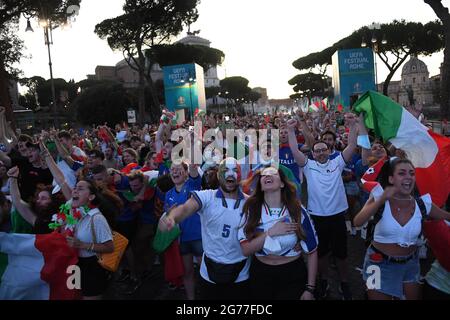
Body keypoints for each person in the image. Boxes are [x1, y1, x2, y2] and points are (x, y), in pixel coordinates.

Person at [354, 158, 450, 300]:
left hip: (410, 265)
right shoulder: (378, 197)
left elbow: (447, 216)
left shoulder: (423, 203)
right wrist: (381, 199)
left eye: (411, 173)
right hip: (377, 263)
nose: (408, 177)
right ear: (391, 179)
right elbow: (358, 221)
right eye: (402, 173)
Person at [287, 113, 358, 300]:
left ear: (329, 150)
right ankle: (324, 280)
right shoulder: (308, 165)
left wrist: (352, 125)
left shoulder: (338, 162)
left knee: (342, 255)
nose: (320, 153)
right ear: (312, 153)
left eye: (323, 150)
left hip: (337, 217)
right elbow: (295, 150)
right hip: (317, 217)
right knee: (321, 254)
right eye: (316, 150)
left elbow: (351, 145)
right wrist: (290, 130)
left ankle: (344, 283)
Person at [159, 157, 250, 300]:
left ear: (240, 175)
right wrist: (172, 217)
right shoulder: (207, 196)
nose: (230, 174)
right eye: (225, 170)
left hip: (241, 273)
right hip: (209, 273)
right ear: (219, 175)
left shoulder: (250, 203)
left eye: (235, 170)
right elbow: (185, 208)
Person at [238, 166, 318, 300]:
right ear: (261, 186)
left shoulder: (298, 210)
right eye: (264, 175)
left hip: (292, 274)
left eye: (273, 174)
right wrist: (271, 232)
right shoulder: (251, 210)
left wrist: (310, 288)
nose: (267, 176)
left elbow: (312, 251)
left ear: (282, 183)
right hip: (261, 274)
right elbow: (245, 250)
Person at [164, 161, 202, 300]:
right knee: (187, 272)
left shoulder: (192, 187)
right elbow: (168, 217)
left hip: (198, 237)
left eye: (178, 169)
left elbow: (195, 178)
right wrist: (169, 216)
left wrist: (193, 168)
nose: (175, 171)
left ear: (185, 173)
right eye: (172, 169)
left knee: (205, 271)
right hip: (182, 239)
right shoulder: (168, 194)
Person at [7, 166, 62, 234]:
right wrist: (13, 178)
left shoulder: (65, 218)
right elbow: (17, 201)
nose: (38, 201)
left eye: (43, 198)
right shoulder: (39, 221)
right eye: (38, 198)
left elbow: (62, 181)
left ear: (54, 201)